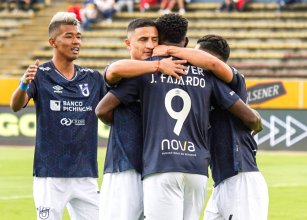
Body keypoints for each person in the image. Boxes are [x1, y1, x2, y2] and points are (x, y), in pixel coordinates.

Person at [97, 13, 262, 220]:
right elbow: (245, 111)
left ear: (159, 40)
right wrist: (256, 120)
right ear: (186, 42)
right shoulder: (206, 74)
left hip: (160, 165)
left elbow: (102, 109)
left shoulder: (143, 71)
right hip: (198, 169)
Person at [10, 12, 104, 220]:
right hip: (50, 173)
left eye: (78, 36)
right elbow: (16, 105)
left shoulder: (93, 78)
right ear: (53, 41)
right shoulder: (40, 74)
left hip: (85, 173)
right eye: (69, 36)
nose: (76, 41)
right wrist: (23, 84)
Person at [95, 18, 188, 220]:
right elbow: (112, 74)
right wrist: (157, 64)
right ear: (128, 44)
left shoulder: (164, 74)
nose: (150, 45)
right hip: (126, 165)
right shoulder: (127, 71)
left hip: (158, 167)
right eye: (143, 39)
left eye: (155, 39)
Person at [187, 35, 268, 220]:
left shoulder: (232, 80)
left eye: (196, 55)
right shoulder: (203, 87)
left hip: (241, 179)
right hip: (221, 181)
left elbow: (250, 117)